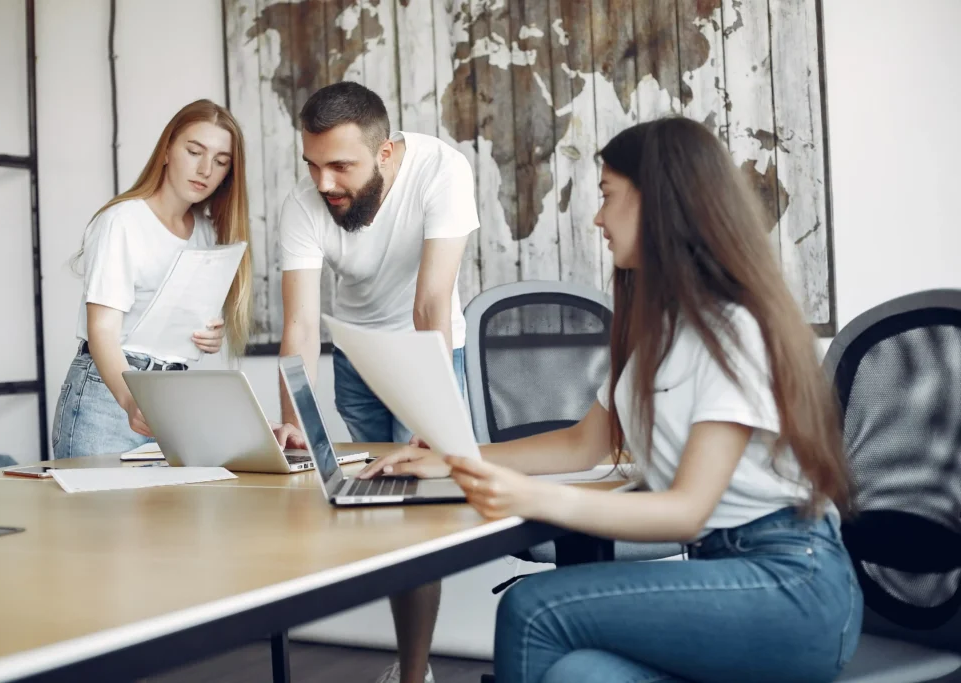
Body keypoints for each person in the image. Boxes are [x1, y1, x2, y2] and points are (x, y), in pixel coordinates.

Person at [359, 117, 863, 683]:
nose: (597, 217)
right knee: (578, 673)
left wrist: (529, 498)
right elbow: (583, 443)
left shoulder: (734, 330)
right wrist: (456, 457)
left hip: (792, 583)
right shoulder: (659, 328)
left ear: (662, 202)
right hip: (724, 572)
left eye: (607, 196)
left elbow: (686, 509)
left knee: (534, 607)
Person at [273, 81, 479, 683]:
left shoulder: (442, 169)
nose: (324, 183)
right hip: (355, 356)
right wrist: (293, 419)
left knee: (420, 511)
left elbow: (432, 301)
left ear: (385, 153)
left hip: (429, 351)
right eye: (312, 165)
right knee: (386, 510)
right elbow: (300, 321)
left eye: (341, 165)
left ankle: (414, 674)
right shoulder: (302, 206)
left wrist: (433, 420)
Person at [53, 99, 253, 460]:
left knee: (164, 514)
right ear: (166, 151)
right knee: (97, 517)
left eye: (221, 161)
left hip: (171, 395)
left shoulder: (206, 232)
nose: (206, 169)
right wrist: (131, 400)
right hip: (110, 393)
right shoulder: (122, 221)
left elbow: (173, 317)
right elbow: (102, 332)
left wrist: (209, 334)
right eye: (194, 151)